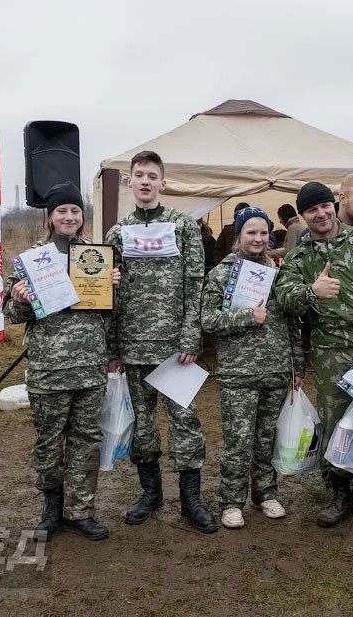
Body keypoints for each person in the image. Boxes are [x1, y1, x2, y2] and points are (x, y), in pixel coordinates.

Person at [274, 181, 353, 528]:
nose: (320, 214)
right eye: (311, 210)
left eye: (324, 206)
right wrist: (310, 291)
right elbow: (284, 297)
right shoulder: (300, 257)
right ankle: (341, 492)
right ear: (303, 216)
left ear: (334, 205)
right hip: (330, 351)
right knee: (336, 423)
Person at [104, 150, 217, 533]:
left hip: (175, 351)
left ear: (163, 182)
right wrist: (113, 348)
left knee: (185, 423)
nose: (146, 181)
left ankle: (191, 500)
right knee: (143, 427)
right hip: (133, 347)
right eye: (140, 175)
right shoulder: (116, 234)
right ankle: (150, 494)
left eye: (153, 175)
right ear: (130, 182)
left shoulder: (183, 227)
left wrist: (190, 335)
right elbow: (109, 296)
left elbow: (195, 283)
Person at [3, 182, 118, 542]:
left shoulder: (96, 256)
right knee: (50, 442)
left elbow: (111, 315)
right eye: (61, 211)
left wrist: (113, 287)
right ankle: (51, 509)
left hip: (90, 366)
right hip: (49, 369)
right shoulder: (31, 259)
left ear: (83, 217)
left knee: (86, 440)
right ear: (50, 217)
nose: (69, 216)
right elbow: (10, 314)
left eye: (75, 211)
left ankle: (80, 512)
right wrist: (20, 298)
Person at [201, 207, 304, 529]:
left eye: (264, 233)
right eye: (251, 232)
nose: (258, 238)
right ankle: (231, 502)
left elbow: (292, 323)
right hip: (238, 374)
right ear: (239, 235)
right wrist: (248, 317)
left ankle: (266, 493)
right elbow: (208, 321)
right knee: (238, 441)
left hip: (275, 370)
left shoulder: (280, 274)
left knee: (267, 439)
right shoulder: (221, 274)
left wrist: (296, 366)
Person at [212, 202, 250, 266]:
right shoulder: (227, 231)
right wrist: (223, 266)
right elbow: (217, 253)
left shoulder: (255, 231)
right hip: (231, 268)